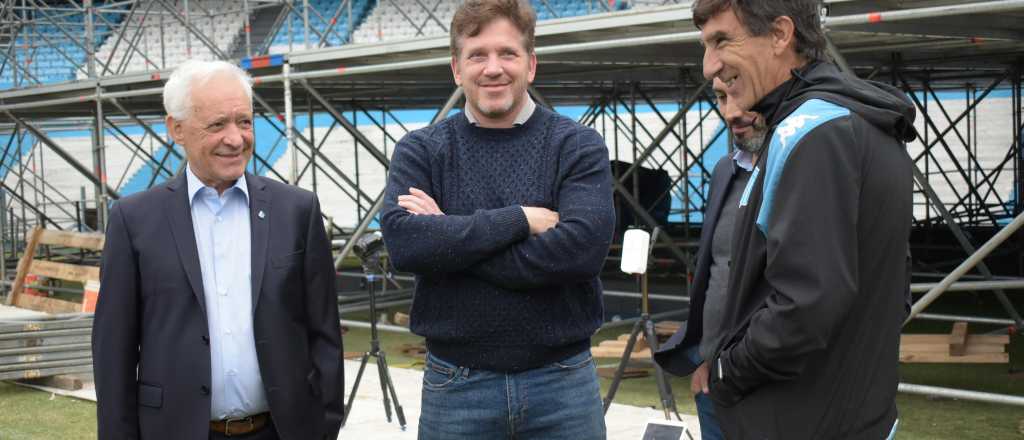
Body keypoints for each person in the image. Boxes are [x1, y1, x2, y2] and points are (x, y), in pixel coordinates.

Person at [380, 1, 615, 438]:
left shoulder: (577, 145)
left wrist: (449, 234)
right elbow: (407, 245)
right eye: (477, 55)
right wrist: (519, 220)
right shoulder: (421, 150)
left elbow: (580, 253)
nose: (493, 68)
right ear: (457, 69)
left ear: (531, 65)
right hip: (456, 386)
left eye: (507, 53)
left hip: (562, 384)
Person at [690, 0, 917, 438]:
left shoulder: (810, 131)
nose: (708, 66)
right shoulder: (857, 121)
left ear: (780, 34)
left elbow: (806, 306)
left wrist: (726, 370)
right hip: (850, 415)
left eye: (722, 41)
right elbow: (896, 283)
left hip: (802, 421)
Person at [92, 59, 344, 440]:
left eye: (244, 122)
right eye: (217, 125)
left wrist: (324, 428)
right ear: (176, 129)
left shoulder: (297, 210)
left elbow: (325, 335)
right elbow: (114, 352)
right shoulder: (134, 220)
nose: (235, 138)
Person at [653, 77, 767, 440]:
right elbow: (716, 274)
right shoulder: (724, 170)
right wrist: (706, 357)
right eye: (720, 97)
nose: (732, 112)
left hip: (776, 384)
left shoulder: (802, 174)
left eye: (742, 95)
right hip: (716, 382)